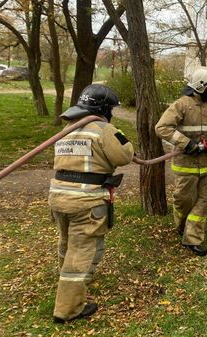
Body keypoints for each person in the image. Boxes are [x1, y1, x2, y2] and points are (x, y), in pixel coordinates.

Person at [49, 84, 134, 323]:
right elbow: (124, 156)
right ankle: (68, 309)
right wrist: (118, 135)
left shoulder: (68, 128)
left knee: (66, 245)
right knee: (82, 253)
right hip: (86, 201)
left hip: (59, 197)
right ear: (105, 109)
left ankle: (68, 287)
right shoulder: (103, 129)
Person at [155, 66, 207, 257]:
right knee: (183, 200)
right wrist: (188, 144)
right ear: (200, 87)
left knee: (202, 202)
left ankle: (193, 239)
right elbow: (162, 128)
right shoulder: (182, 105)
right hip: (186, 164)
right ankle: (180, 225)